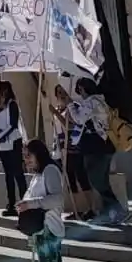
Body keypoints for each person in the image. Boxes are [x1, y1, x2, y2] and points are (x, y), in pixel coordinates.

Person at [18, 139, 74, 262]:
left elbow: (57, 198)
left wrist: (31, 204)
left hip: (48, 229)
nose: (27, 160)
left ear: (38, 154)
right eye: (25, 157)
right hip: (42, 228)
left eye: (29, 156)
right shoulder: (38, 174)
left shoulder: (50, 170)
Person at [67, 78, 128, 225]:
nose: (80, 94)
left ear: (83, 89)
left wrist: (70, 104)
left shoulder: (92, 102)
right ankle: (111, 213)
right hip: (104, 146)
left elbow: (79, 119)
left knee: (97, 180)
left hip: (97, 147)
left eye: (79, 90)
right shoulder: (100, 101)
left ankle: (117, 209)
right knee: (102, 181)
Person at [50, 84, 94, 221]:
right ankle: (76, 209)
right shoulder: (59, 108)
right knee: (70, 178)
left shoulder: (72, 107)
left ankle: (91, 208)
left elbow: (70, 126)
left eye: (63, 92)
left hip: (74, 148)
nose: (61, 95)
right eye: (58, 92)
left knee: (81, 176)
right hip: (63, 148)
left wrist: (56, 114)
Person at [0, 80, 26, 217]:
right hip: (3, 146)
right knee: (8, 175)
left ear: (3, 92)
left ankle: (24, 203)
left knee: (18, 173)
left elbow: (12, 125)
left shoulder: (12, 105)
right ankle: (11, 204)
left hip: (13, 143)